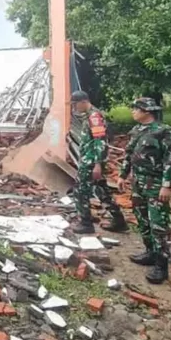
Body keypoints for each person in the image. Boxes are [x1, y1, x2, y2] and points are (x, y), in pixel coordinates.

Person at [117, 98, 171, 284]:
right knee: (142, 218)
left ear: (147, 111)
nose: (133, 112)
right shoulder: (136, 130)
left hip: (156, 184)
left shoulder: (164, 131)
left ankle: (161, 265)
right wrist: (122, 175)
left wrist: (167, 185)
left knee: (158, 223)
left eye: (136, 109)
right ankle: (150, 252)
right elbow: (129, 154)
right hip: (138, 183)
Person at [70, 90, 127, 234]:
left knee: (80, 191)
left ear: (84, 102)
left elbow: (100, 141)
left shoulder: (94, 117)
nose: (74, 108)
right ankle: (119, 220)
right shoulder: (90, 116)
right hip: (91, 160)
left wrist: (97, 164)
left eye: (75, 104)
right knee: (101, 190)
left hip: (91, 162)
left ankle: (85, 223)